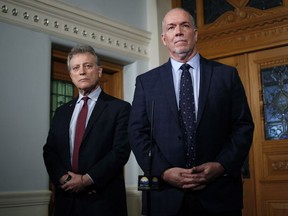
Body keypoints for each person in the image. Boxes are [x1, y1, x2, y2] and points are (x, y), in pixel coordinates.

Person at [128, 8, 254, 216]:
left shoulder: (226, 76)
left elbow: (243, 126)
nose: (178, 32)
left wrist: (221, 165)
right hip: (165, 197)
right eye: (171, 27)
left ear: (195, 34)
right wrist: (164, 171)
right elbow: (137, 132)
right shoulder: (146, 82)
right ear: (164, 39)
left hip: (218, 194)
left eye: (184, 25)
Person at [43, 45, 131, 216]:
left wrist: (86, 180)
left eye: (88, 66)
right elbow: (50, 151)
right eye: (76, 67)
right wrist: (63, 178)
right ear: (71, 75)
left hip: (102, 202)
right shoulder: (62, 112)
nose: (82, 71)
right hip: (66, 201)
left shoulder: (120, 108)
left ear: (99, 71)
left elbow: (120, 152)